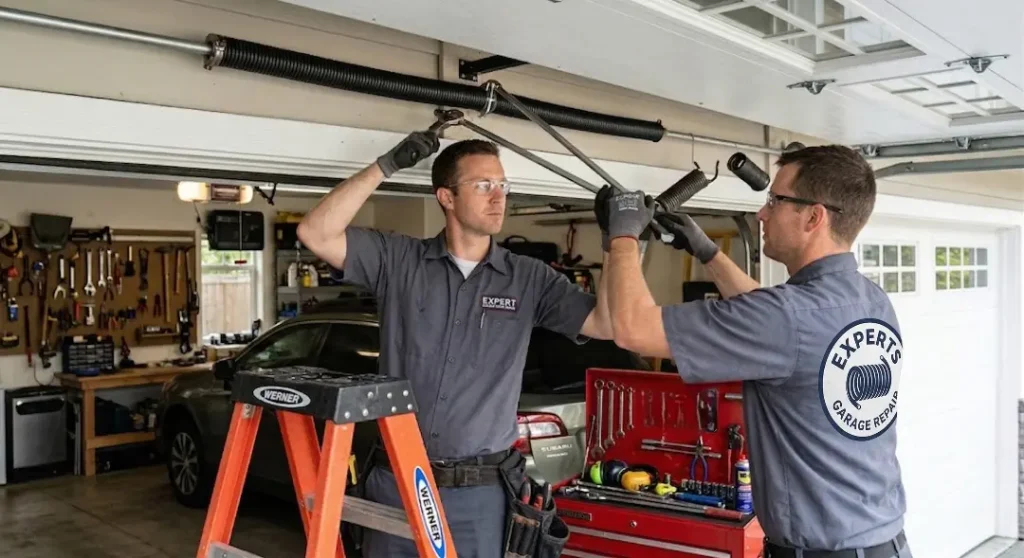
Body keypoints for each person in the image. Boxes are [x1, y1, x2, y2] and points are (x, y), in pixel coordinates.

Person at [297, 128, 614, 558]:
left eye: (502, 185)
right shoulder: (399, 261)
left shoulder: (530, 279)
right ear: (446, 197)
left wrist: (620, 241)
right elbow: (316, 233)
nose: (498, 196)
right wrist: (387, 166)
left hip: (481, 495)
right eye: (483, 185)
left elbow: (610, 322)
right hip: (397, 481)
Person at [594, 145, 911, 558]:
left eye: (776, 201)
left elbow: (632, 329)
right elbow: (774, 321)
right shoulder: (869, 300)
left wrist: (622, 235)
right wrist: (707, 252)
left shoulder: (786, 317)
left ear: (814, 216)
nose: (763, 214)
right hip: (882, 541)